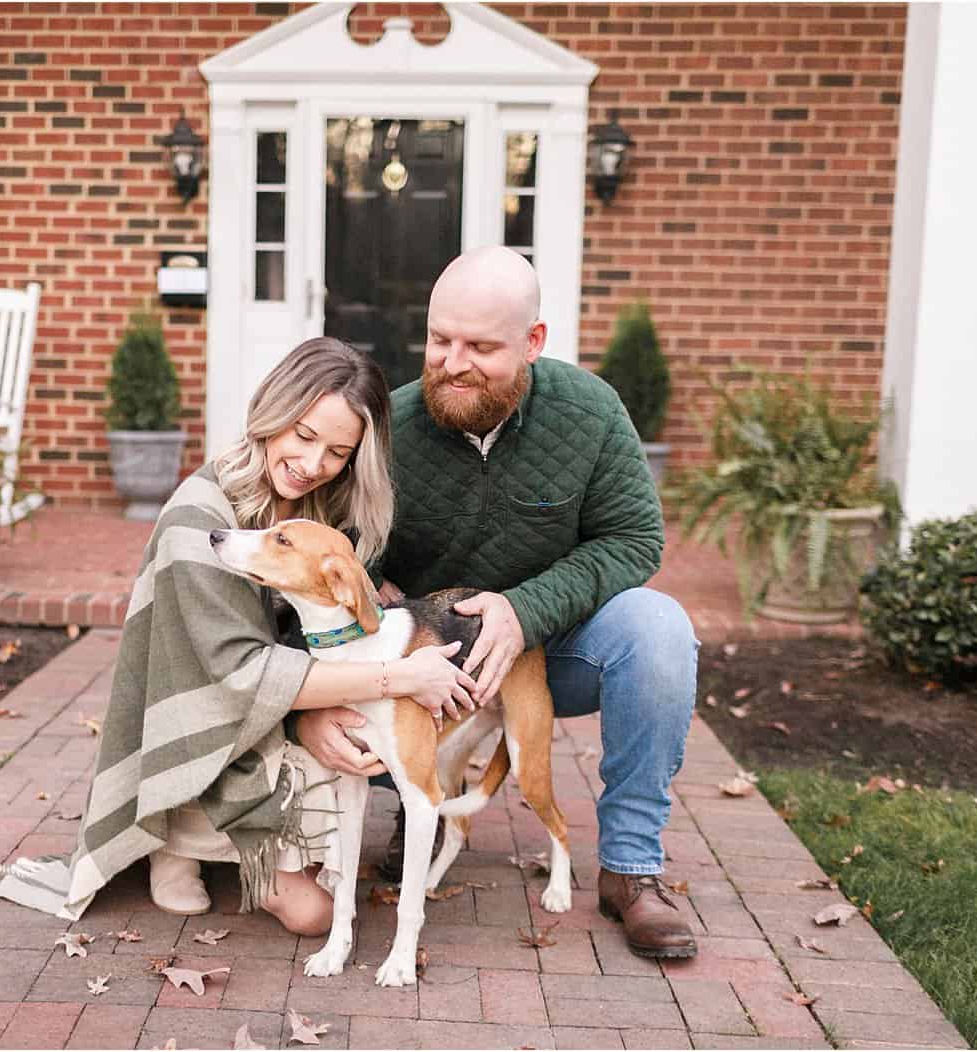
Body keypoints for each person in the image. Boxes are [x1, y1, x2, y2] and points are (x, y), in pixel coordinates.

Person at [295, 247, 701, 959]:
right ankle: (413, 807)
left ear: (533, 343)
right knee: (381, 661)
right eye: (440, 340)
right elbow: (344, 559)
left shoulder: (590, 412)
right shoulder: (389, 425)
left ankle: (632, 871)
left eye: (481, 347)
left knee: (658, 628)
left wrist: (525, 610)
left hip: (552, 652)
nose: (453, 363)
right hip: (422, 655)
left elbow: (636, 540)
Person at [0, 336, 475, 935]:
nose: (312, 463)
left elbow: (330, 636)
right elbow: (232, 674)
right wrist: (395, 676)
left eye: (336, 451)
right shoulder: (198, 518)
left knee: (348, 783)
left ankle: (239, 835)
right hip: (205, 721)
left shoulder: (322, 509)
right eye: (303, 436)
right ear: (274, 411)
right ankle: (173, 829)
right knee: (312, 916)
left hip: (274, 709)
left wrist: (315, 713)